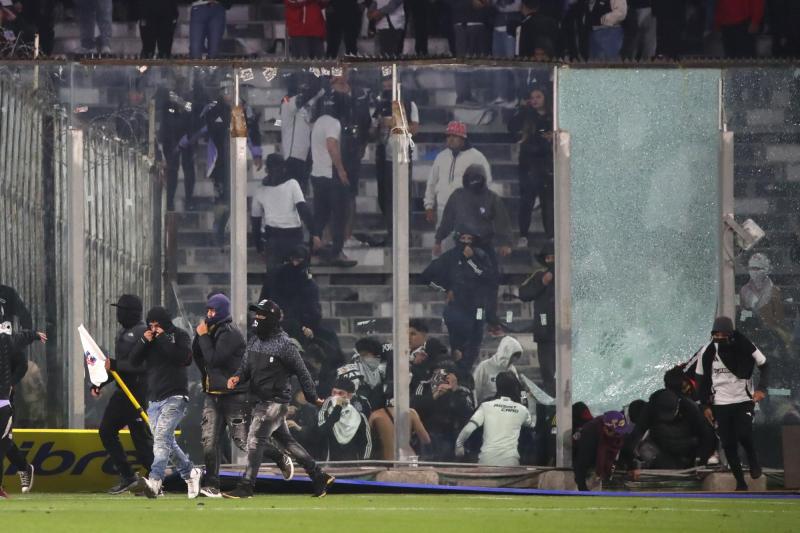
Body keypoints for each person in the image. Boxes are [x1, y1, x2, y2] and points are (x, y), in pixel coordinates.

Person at [223, 299, 335, 498]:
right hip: (260, 399)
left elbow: (303, 373)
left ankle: (247, 485)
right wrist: (237, 377)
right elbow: (245, 366)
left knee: (255, 441)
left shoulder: (285, 345)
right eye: (256, 314)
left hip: (275, 402)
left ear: (272, 319)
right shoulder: (255, 339)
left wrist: (312, 397)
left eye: (261, 315)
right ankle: (318, 475)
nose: (256, 318)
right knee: (288, 442)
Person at [192, 294, 293, 497]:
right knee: (209, 442)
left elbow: (214, 360)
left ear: (221, 311)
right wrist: (200, 337)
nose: (209, 314)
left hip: (234, 396)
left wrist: (202, 336)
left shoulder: (231, 334)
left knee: (244, 442)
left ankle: (279, 456)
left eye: (213, 311)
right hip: (213, 395)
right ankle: (212, 484)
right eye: (208, 310)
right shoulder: (209, 331)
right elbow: (199, 357)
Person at [132, 306, 202, 499]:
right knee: (165, 441)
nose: (154, 329)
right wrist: (143, 341)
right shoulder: (148, 339)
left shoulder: (179, 335)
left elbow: (184, 358)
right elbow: (133, 361)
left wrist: (163, 338)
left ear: (165, 324)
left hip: (175, 396)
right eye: (151, 325)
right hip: (154, 399)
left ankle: (155, 481)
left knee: (161, 439)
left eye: (157, 325)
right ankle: (190, 472)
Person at [694, 315, 769, 491]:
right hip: (720, 403)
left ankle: (753, 460)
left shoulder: (745, 345)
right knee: (728, 443)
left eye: (723, 334)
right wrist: (704, 405)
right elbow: (701, 379)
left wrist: (761, 389)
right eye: (716, 334)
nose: (719, 337)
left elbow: (765, 365)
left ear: (731, 333)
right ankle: (740, 483)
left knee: (743, 434)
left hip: (743, 399)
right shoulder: (707, 351)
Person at [91, 294, 154, 495]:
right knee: (117, 433)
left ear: (131, 313)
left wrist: (115, 366)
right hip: (124, 391)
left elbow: (143, 365)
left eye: (121, 310)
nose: (118, 314)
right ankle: (136, 477)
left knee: (134, 438)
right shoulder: (123, 333)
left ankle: (151, 479)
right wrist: (100, 382)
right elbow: (117, 366)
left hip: (136, 393)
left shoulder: (143, 333)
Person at [421, 226, 499, 373]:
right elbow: (426, 276)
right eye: (463, 238)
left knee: (474, 345)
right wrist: (445, 290)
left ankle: (464, 374)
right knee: (458, 348)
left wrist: (470, 260)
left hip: (478, 309)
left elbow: (490, 278)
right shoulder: (449, 256)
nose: (466, 242)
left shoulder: (481, 256)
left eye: (469, 239)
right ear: (458, 239)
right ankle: (459, 375)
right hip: (457, 308)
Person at [310, 84, 357, 267]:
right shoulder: (333, 123)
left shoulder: (320, 120)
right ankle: (336, 251)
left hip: (317, 174)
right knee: (339, 215)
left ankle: (316, 249)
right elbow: (331, 146)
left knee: (320, 214)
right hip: (330, 176)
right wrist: (341, 170)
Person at [251, 154, 320, 271]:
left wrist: (259, 248)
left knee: (274, 280)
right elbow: (303, 210)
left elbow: (255, 222)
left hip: (273, 240)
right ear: (284, 168)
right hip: (293, 238)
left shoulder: (260, 190)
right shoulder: (292, 184)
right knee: (301, 277)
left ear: (267, 170)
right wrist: (315, 234)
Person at [0, 323, 46, 499]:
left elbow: (22, 365)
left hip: (4, 398)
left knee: (3, 442)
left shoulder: (7, 340)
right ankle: (23, 467)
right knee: (5, 442)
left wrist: (10, 384)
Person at [424, 122, 493, 237]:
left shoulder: (477, 157)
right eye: (448, 136)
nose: (450, 139)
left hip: (468, 211)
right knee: (442, 247)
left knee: (464, 247)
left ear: (463, 138)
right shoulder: (441, 157)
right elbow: (431, 183)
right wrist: (429, 206)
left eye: (454, 136)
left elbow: (487, 184)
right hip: (443, 209)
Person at [434, 163, 513, 260]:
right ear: (465, 178)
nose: (474, 181)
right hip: (461, 246)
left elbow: (502, 222)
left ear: (483, 179)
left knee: (489, 272)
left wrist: (506, 243)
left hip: (484, 245)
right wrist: (438, 241)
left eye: (477, 178)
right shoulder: (457, 196)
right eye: (471, 178)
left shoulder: (492, 198)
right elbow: (447, 221)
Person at [507, 86, 554, 245]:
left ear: (545, 97)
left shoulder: (554, 115)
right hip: (528, 165)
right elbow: (511, 127)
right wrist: (523, 109)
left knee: (548, 202)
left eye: (538, 96)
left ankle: (551, 235)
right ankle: (523, 235)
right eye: (532, 97)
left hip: (547, 165)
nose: (534, 100)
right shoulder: (526, 114)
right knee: (526, 201)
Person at [456, 371, 533, 465]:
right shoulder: (522, 409)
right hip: (511, 463)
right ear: (516, 386)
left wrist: (459, 445)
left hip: (486, 460)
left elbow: (468, 430)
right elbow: (529, 419)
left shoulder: (486, 405)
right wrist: (523, 391)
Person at [412, 361, 475, 461]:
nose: (440, 379)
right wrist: (436, 395)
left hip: (451, 435)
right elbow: (414, 408)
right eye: (437, 375)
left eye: (445, 376)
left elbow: (468, 415)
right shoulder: (424, 386)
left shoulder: (462, 391)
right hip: (427, 433)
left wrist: (454, 391)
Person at [518, 241, 555, 396]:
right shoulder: (539, 275)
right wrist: (542, 282)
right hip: (545, 332)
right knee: (547, 372)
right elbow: (523, 293)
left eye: (554, 257)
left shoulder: (569, 275)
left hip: (566, 334)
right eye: (548, 258)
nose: (551, 260)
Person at [156, 78, 196, 211]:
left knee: (188, 169)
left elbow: (193, 114)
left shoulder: (190, 100)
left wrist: (188, 138)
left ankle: (189, 200)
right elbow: (165, 123)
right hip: (171, 140)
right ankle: (170, 201)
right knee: (172, 171)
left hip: (187, 138)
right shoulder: (167, 104)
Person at [281, 77, 325, 193]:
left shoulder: (303, 107)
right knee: (293, 193)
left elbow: (312, 98)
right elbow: (306, 97)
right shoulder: (287, 102)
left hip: (305, 156)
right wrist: (317, 83)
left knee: (302, 193)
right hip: (293, 157)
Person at [572, 410, 633, 491]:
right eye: (616, 433)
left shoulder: (620, 436)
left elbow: (626, 450)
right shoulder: (589, 434)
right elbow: (581, 463)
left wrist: (632, 466)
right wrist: (583, 488)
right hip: (587, 464)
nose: (618, 436)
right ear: (605, 429)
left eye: (621, 433)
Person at [317, 377, 373, 460]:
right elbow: (322, 431)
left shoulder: (359, 417)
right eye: (334, 393)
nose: (336, 396)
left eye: (340, 393)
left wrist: (363, 463)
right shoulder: (325, 413)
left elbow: (366, 443)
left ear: (349, 396)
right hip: (329, 464)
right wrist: (337, 409)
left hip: (352, 465)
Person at [369, 394, 431, 460]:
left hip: (387, 460)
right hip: (408, 459)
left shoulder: (375, 415)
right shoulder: (411, 413)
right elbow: (426, 439)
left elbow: (369, 440)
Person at [472, 336, 524, 405]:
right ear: (506, 353)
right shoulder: (484, 367)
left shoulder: (512, 369)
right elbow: (475, 390)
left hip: (506, 407)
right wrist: (476, 407)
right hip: (487, 406)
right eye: (513, 357)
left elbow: (518, 393)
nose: (514, 361)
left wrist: (524, 394)